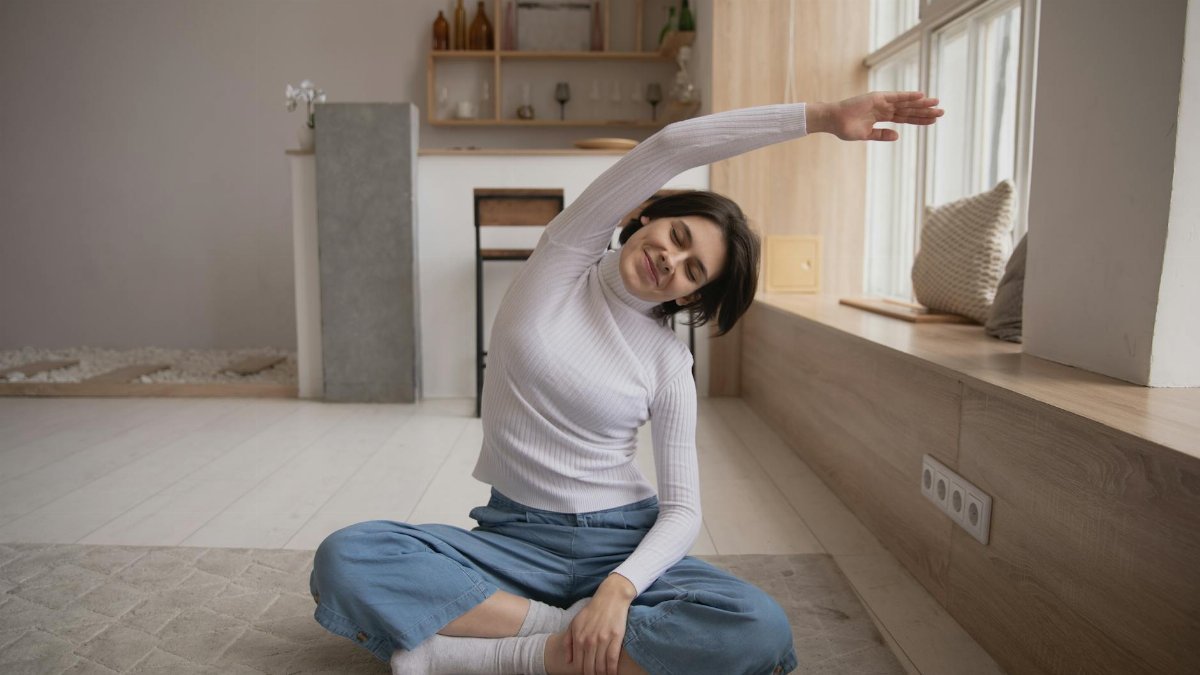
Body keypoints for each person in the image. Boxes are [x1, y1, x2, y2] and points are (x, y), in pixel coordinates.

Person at [310, 91, 943, 675]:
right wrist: (825, 116)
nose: (671, 258)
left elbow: (683, 509)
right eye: (676, 235)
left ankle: (498, 655)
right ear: (645, 215)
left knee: (760, 631)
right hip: (514, 541)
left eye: (692, 269)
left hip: (622, 541)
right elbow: (672, 146)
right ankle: (568, 638)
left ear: (692, 294)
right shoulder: (558, 264)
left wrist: (620, 588)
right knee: (349, 557)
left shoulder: (668, 363)